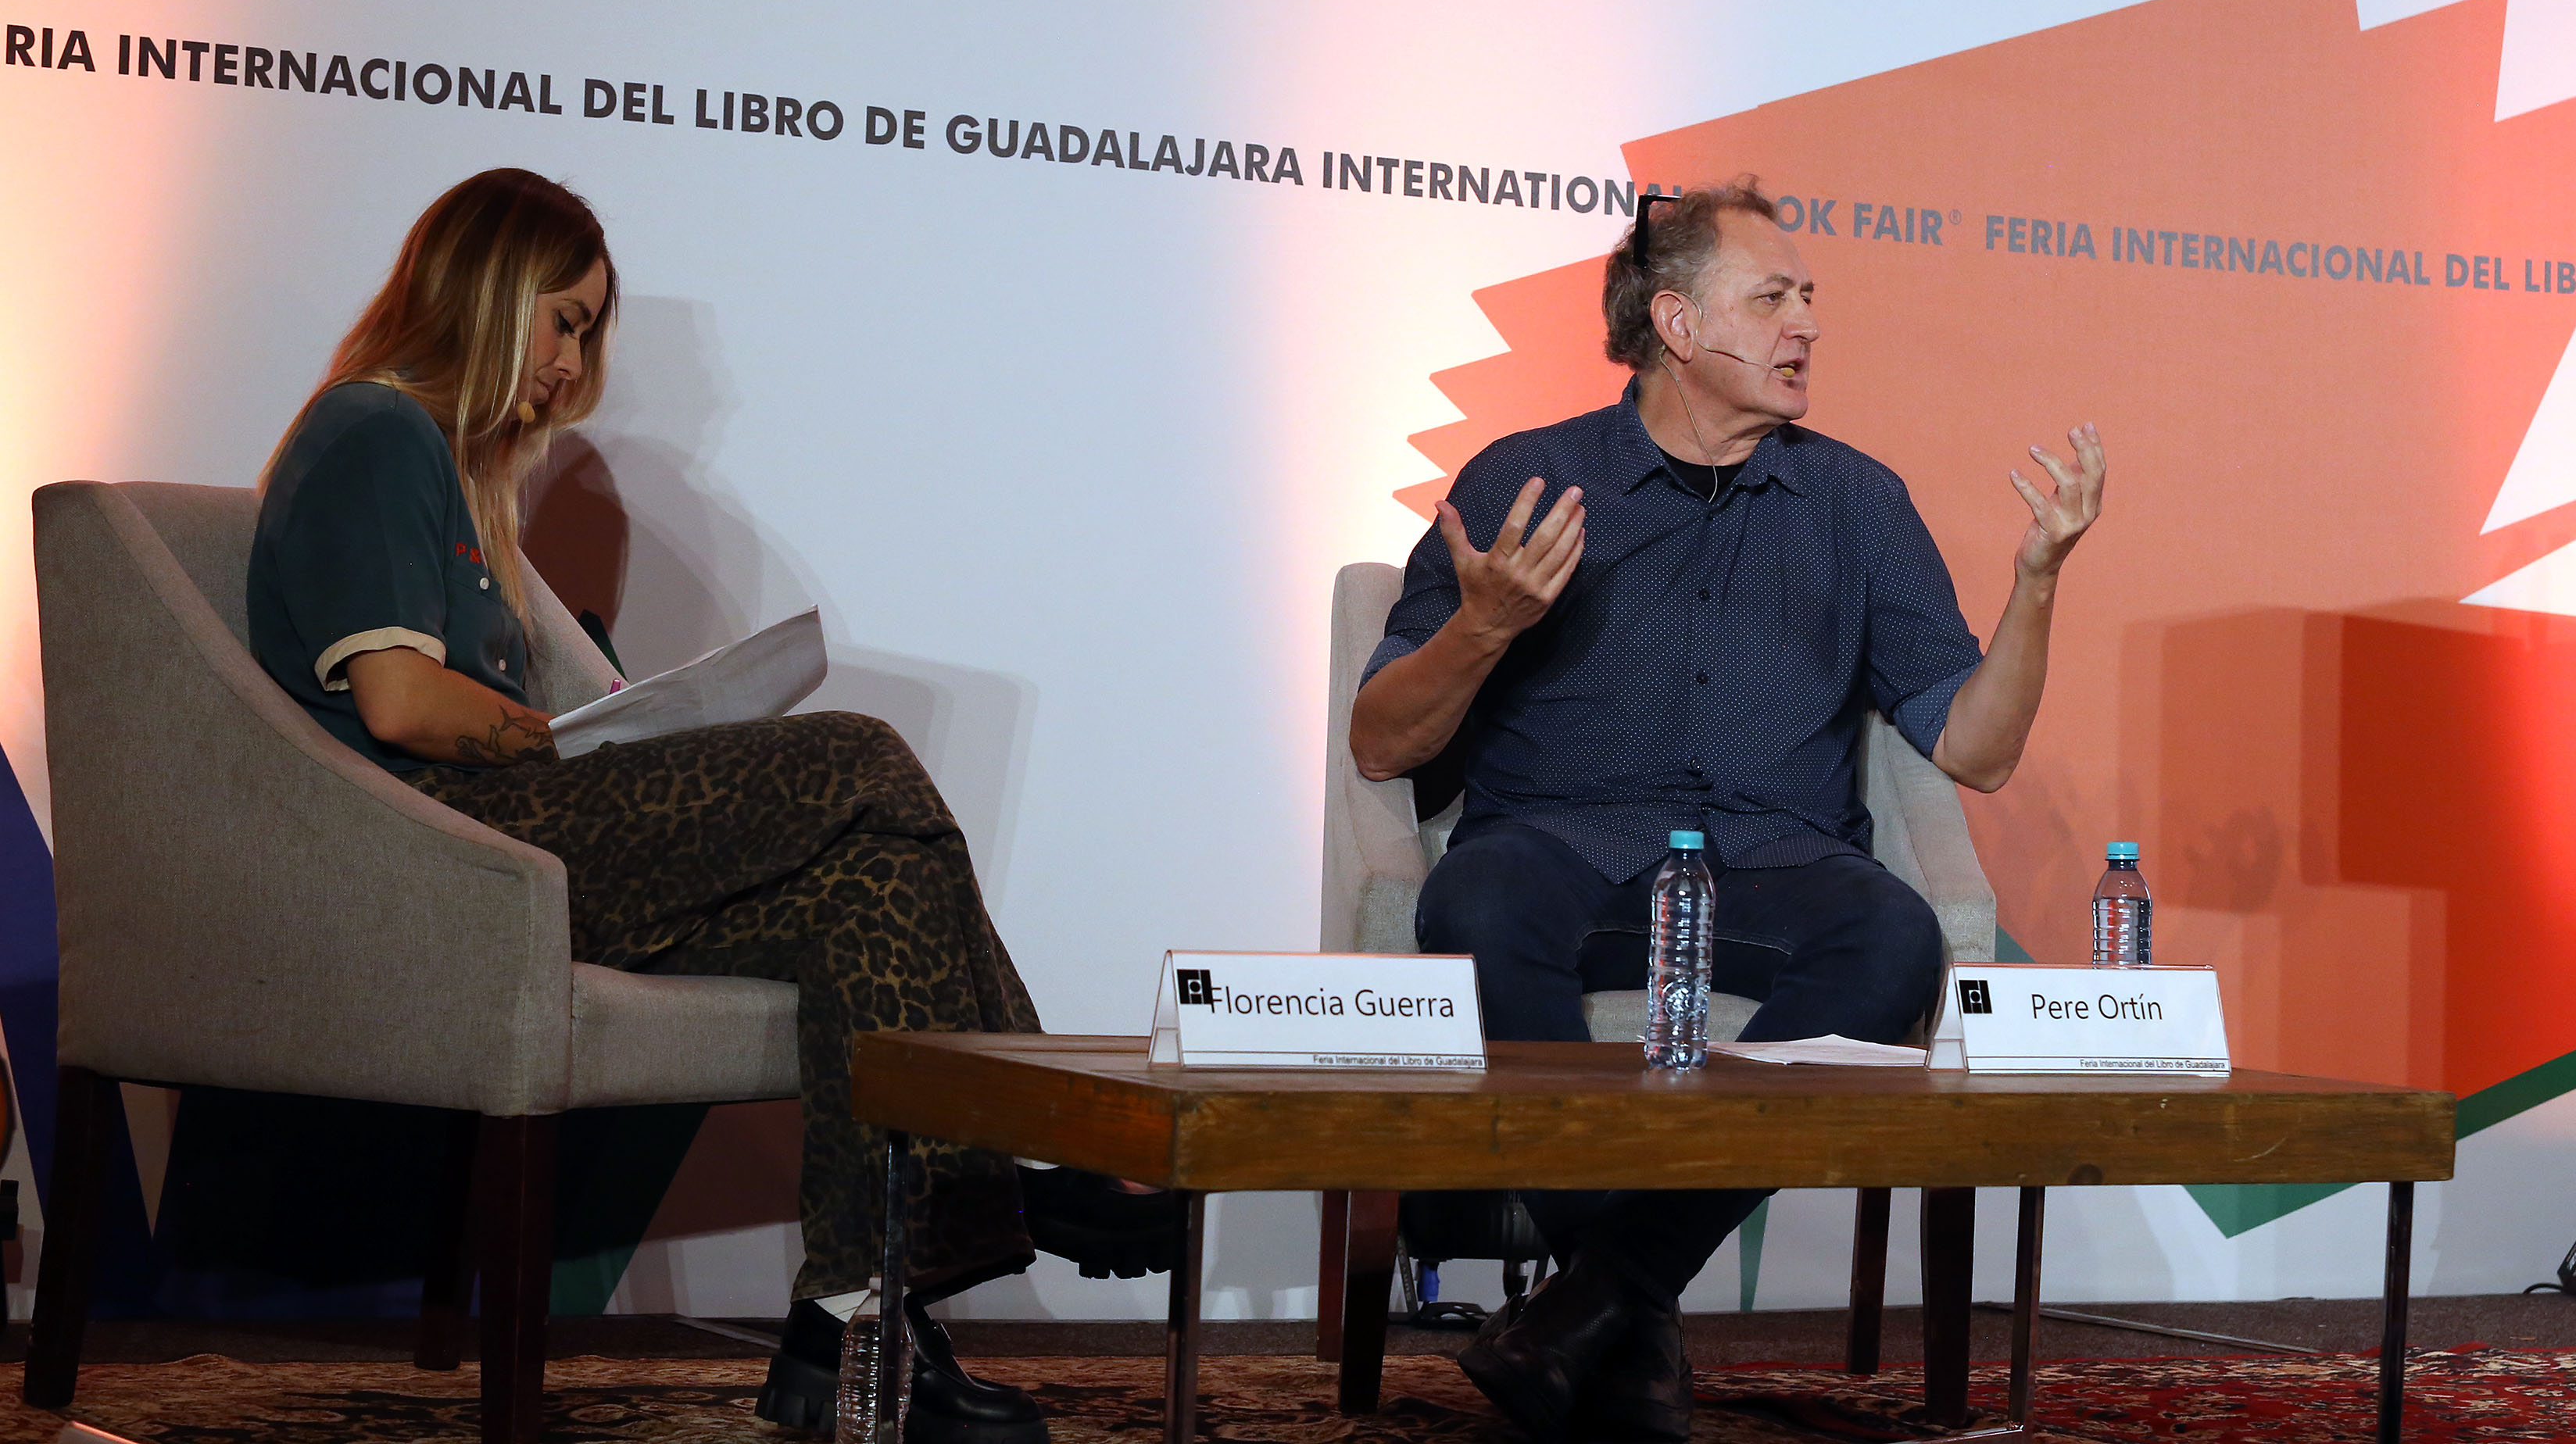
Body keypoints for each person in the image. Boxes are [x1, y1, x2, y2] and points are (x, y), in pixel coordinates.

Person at [246, 169, 1168, 1444]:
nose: (572, 365)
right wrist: (552, 741)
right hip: (441, 859)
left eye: (586, 334)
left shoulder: (458, 474)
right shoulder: (374, 427)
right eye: (564, 322)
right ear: (489, 289)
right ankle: (1041, 1143)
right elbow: (399, 702)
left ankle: (850, 1330)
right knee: (860, 755)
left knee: (876, 887)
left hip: (514, 845)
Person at [1349, 180, 2104, 1442]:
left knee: (1895, 939)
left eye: (1808, 298)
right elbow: (1382, 741)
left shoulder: (1859, 503)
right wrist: (1481, 627)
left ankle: (1594, 1300)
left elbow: (1975, 751)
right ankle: (1628, 1311)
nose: (1808, 322)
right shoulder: (1529, 478)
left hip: (1773, 860)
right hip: (1560, 845)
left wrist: (2037, 585)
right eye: (1774, 298)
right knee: (1475, 902)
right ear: (1679, 323)